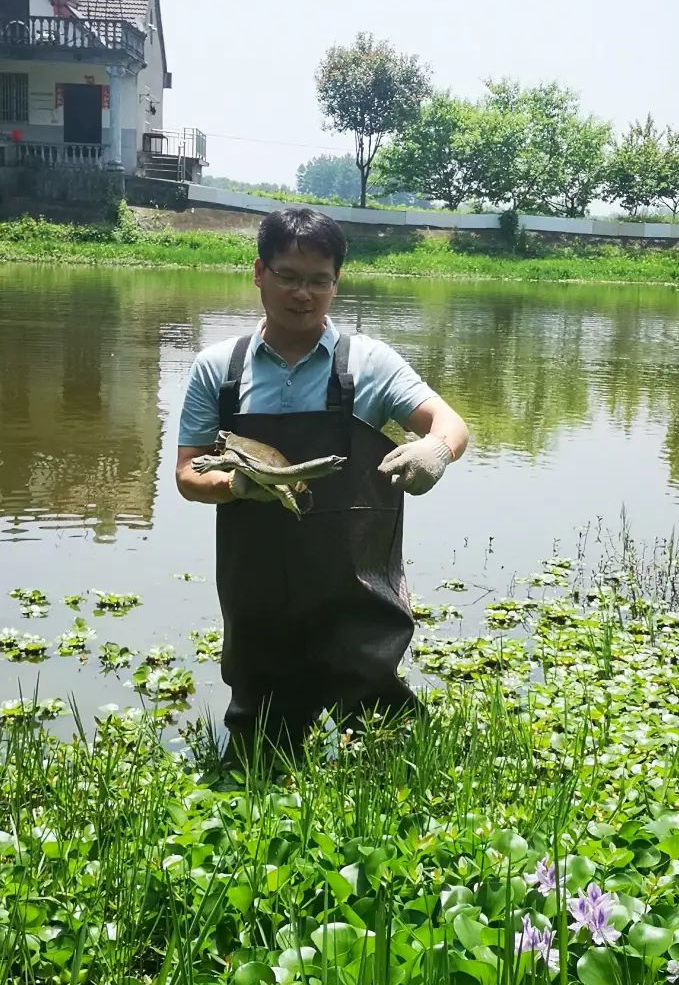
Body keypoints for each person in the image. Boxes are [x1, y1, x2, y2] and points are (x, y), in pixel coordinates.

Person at [176, 206, 468, 756]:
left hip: (356, 592)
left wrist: (436, 450)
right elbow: (189, 473)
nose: (302, 294)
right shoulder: (219, 369)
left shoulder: (369, 363)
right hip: (257, 590)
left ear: (337, 282)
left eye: (318, 281)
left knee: (391, 752)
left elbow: (448, 423)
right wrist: (237, 487)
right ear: (259, 272)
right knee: (258, 753)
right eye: (287, 276)